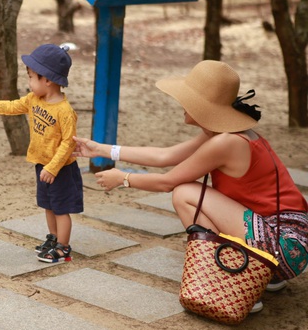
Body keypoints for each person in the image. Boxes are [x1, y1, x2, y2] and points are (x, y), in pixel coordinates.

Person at [73, 60, 307, 311]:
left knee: (184, 193)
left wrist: (125, 179)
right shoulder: (222, 134)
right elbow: (166, 156)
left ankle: (233, 283)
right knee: (190, 191)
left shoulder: (226, 143)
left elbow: (167, 182)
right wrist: (102, 149)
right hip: (289, 239)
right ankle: (266, 276)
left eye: (187, 98)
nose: (181, 104)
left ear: (202, 107)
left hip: (284, 245)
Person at [0, 44, 83, 263]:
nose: (28, 82)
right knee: (48, 205)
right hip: (42, 165)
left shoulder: (65, 112)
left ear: (47, 79)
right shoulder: (33, 100)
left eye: (31, 77)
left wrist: (52, 167)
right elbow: (12, 107)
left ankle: (63, 247)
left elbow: (69, 143)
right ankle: (54, 238)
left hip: (60, 169)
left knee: (61, 209)